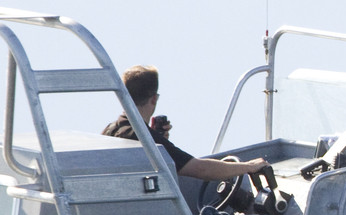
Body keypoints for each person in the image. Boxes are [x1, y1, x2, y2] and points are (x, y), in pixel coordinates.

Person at [104, 65, 271, 184]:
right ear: (154, 99)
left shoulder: (110, 131)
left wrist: (156, 136)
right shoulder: (145, 138)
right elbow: (200, 169)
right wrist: (249, 167)